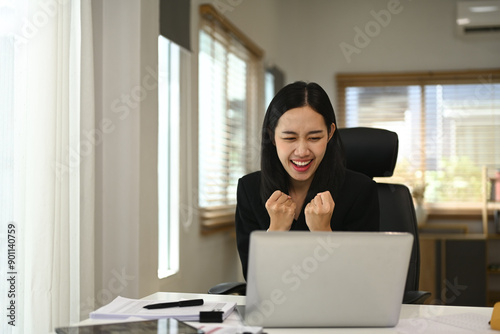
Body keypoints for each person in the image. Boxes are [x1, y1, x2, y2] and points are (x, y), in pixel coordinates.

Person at [235, 81, 380, 279]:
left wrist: (323, 233)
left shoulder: (360, 190)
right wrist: (275, 231)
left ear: (329, 134)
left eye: (314, 138)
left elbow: (362, 279)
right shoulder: (249, 189)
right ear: (272, 135)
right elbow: (254, 280)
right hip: (275, 308)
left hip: (340, 309)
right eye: (289, 138)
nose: (302, 152)